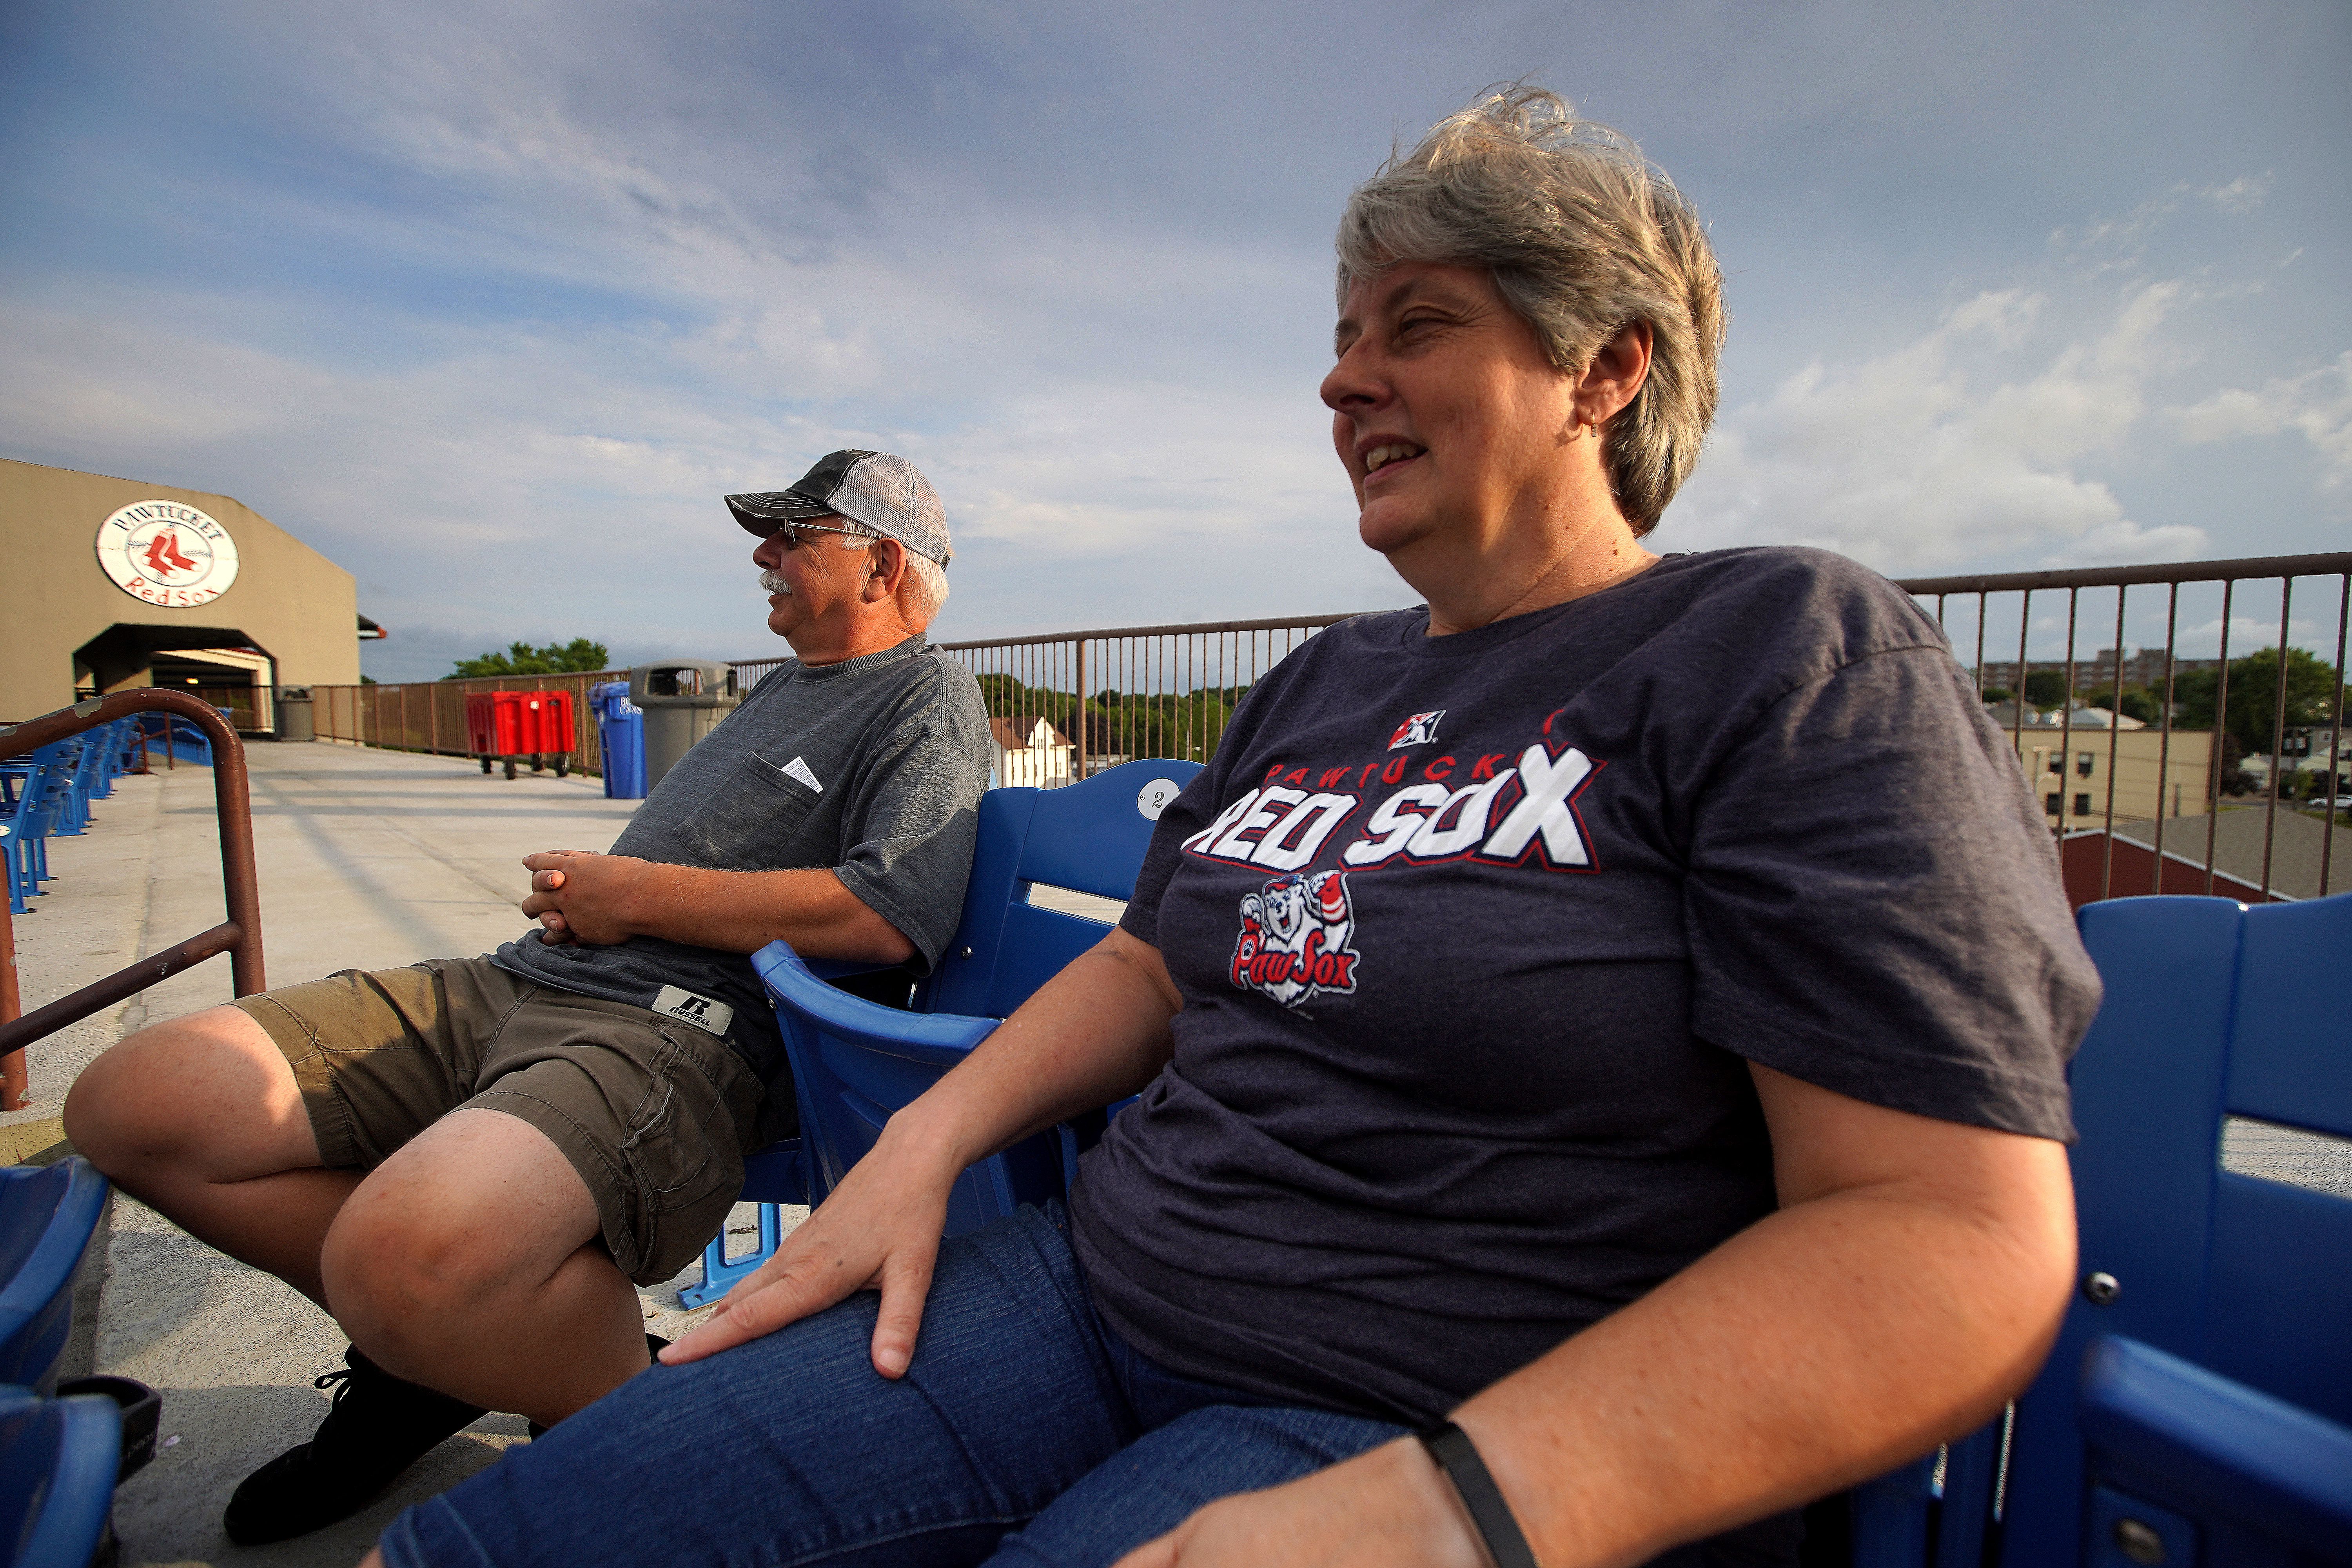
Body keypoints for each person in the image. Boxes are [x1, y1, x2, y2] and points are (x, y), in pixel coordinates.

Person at [362, 90, 2098, 1568]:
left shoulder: (1781, 649)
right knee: (491, 1543)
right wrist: (926, 1143)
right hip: (1088, 1290)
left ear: (1607, 370)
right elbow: (1152, 960)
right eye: (1345, 338)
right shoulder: (1326, 678)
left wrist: (1462, 1504)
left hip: (1418, 1405)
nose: (1344, 383)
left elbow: (1951, 1236)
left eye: (1417, 326)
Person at [64, 450, 993, 1544]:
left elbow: (890, 913)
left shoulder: (927, 695)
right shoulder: (783, 686)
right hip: (523, 978)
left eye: (794, 536)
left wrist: (633, 893)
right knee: (136, 1104)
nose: (763, 554)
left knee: (400, 1252)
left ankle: (590, 1405)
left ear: (883, 564)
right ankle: (439, 1355)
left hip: (675, 1032)